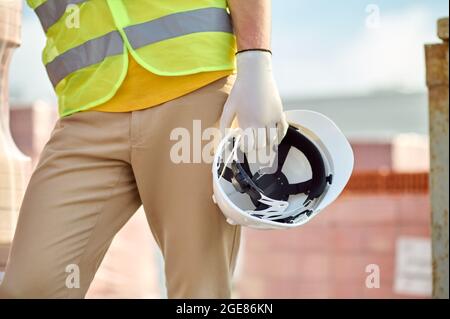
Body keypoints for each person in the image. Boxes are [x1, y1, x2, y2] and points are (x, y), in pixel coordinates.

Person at [0, 0, 287, 298]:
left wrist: (256, 62)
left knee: (200, 290)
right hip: (85, 110)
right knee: (30, 287)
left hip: (194, 88)